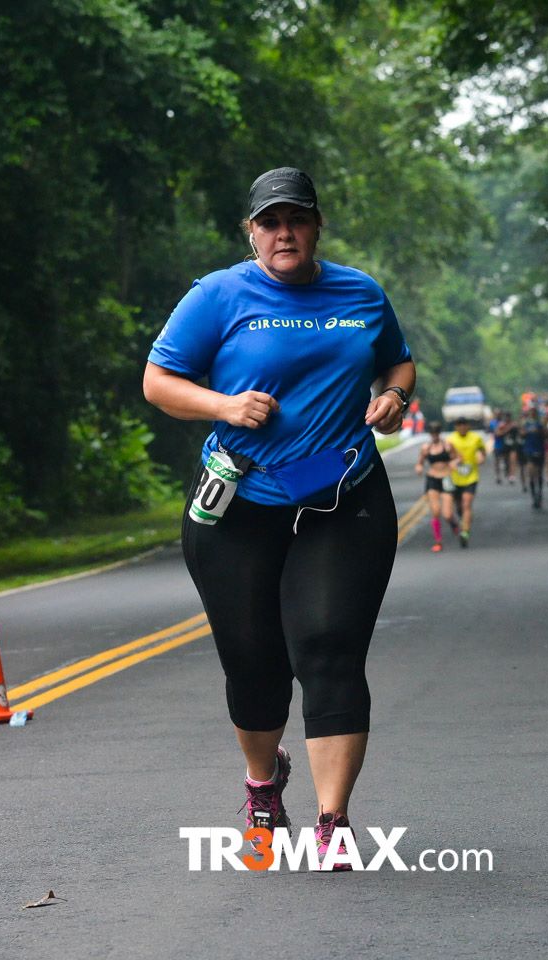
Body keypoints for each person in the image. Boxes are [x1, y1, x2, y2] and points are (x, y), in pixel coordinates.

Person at [143, 166, 415, 870]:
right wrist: (224, 406)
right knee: (255, 665)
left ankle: (333, 821)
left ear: (317, 225)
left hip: (342, 496)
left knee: (328, 648)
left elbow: (398, 364)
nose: (283, 233)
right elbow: (158, 382)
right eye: (270, 222)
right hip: (240, 503)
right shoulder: (217, 295)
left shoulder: (360, 292)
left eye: (296, 219)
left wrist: (394, 399)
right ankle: (263, 783)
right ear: (251, 231)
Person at [414, 421, 459, 551]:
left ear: (439, 433)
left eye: (436, 432)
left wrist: (454, 463)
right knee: (435, 511)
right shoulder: (426, 448)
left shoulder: (448, 446)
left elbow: (457, 457)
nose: (434, 435)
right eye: (432, 433)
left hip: (446, 478)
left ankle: (453, 523)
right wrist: (419, 467)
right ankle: (438, 541)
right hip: (432, 479)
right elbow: (420, 462)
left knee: (447, 514)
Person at [447, 417, 487, 548]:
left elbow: (482, 451)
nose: (462, 427)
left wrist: (481, 457)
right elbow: (446, 456)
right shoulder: (450, 439)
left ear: (468, 426)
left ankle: (465, 533)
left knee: (467, 504)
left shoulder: (476, 438)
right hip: (455, 478)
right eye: (459, 425)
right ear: (456, 427)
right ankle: (463, 520)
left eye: (464, 425)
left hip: (471, 477)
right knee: (459, 507)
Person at [520, 407, 547, 508]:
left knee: (539, 474)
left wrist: (541, 430)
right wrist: (527, 431)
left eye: (534, 413)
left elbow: (547, 435)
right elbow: (521, 434)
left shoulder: (541, 424)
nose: (532, 414)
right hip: (529, 451)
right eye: (531, 413)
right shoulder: (525, 424)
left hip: (540, 450)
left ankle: (539, 493)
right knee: (531, 473)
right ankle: (534, 496)